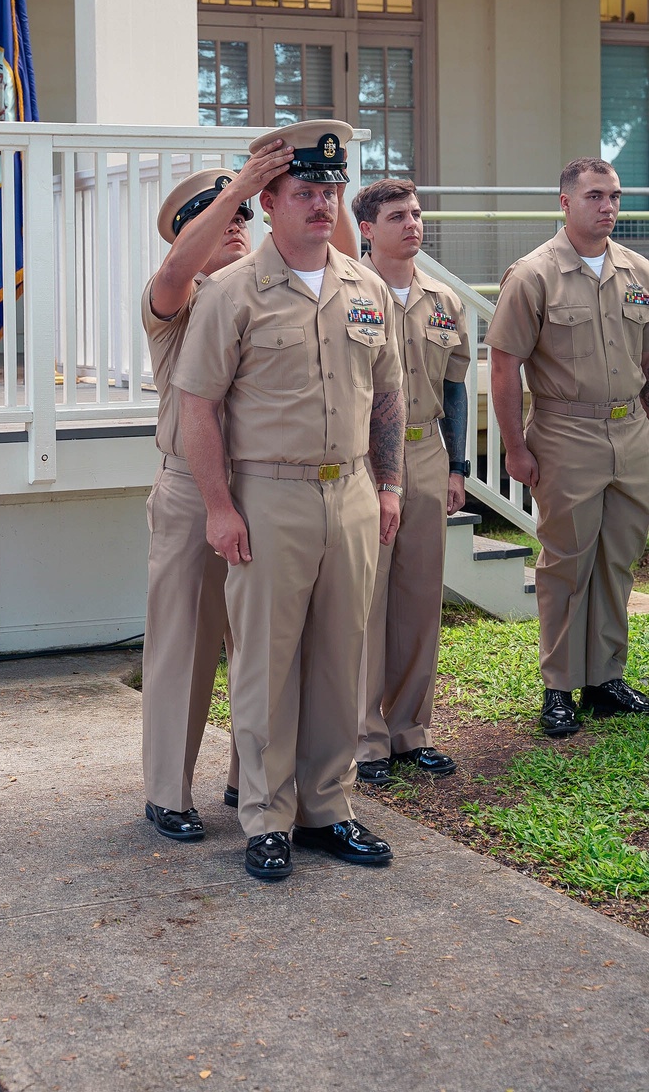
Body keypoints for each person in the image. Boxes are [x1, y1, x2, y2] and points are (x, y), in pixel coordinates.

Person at [175, 120, 405, 881]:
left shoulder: (366, 287)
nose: (321, 204)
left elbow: (389, 398)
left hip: (353, 496)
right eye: (305, 192)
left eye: (330, 191)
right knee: (266, 665)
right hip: (267, 494)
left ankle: (327, 810)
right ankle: (266, 818)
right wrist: (218, 507)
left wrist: (392, 484)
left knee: (343, 659)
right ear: (268, 201)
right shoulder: (234, 292)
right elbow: (197, 408)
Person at [143, 146, 361, 843]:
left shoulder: (274, 286)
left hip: (268, 491)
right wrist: (243, 183)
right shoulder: (181, 298)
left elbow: (342, 250)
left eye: (242, 216)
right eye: (214, 218)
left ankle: (250, 782)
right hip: (192, 490)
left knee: (265, 650)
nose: (233, 226)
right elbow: (178, 270)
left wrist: (316, 184)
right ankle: (167, 793)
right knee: (186, 642)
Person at [487, 157, 649, 737]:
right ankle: (559, 686)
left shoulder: (638, 272)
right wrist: (514, 447)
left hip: (630, 434)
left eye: (614, 196)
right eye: (595, 197)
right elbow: (504, 367)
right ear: (565, 203)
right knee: (565, 564)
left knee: (617, 561)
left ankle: (605, 678)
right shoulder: (533, 275)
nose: (608, 206)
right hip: (564, 433)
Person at [351, 178, 471, 786]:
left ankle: (409, 731)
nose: (413, 225)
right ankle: (365, 739)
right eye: (398, 216)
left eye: (417, 214)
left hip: (426, 452)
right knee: (367, 603)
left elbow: (454, 387)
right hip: (366, 461)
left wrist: (458, 466)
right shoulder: (349, 292)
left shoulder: (442, 300)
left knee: (420, 601)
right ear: (367, 229)